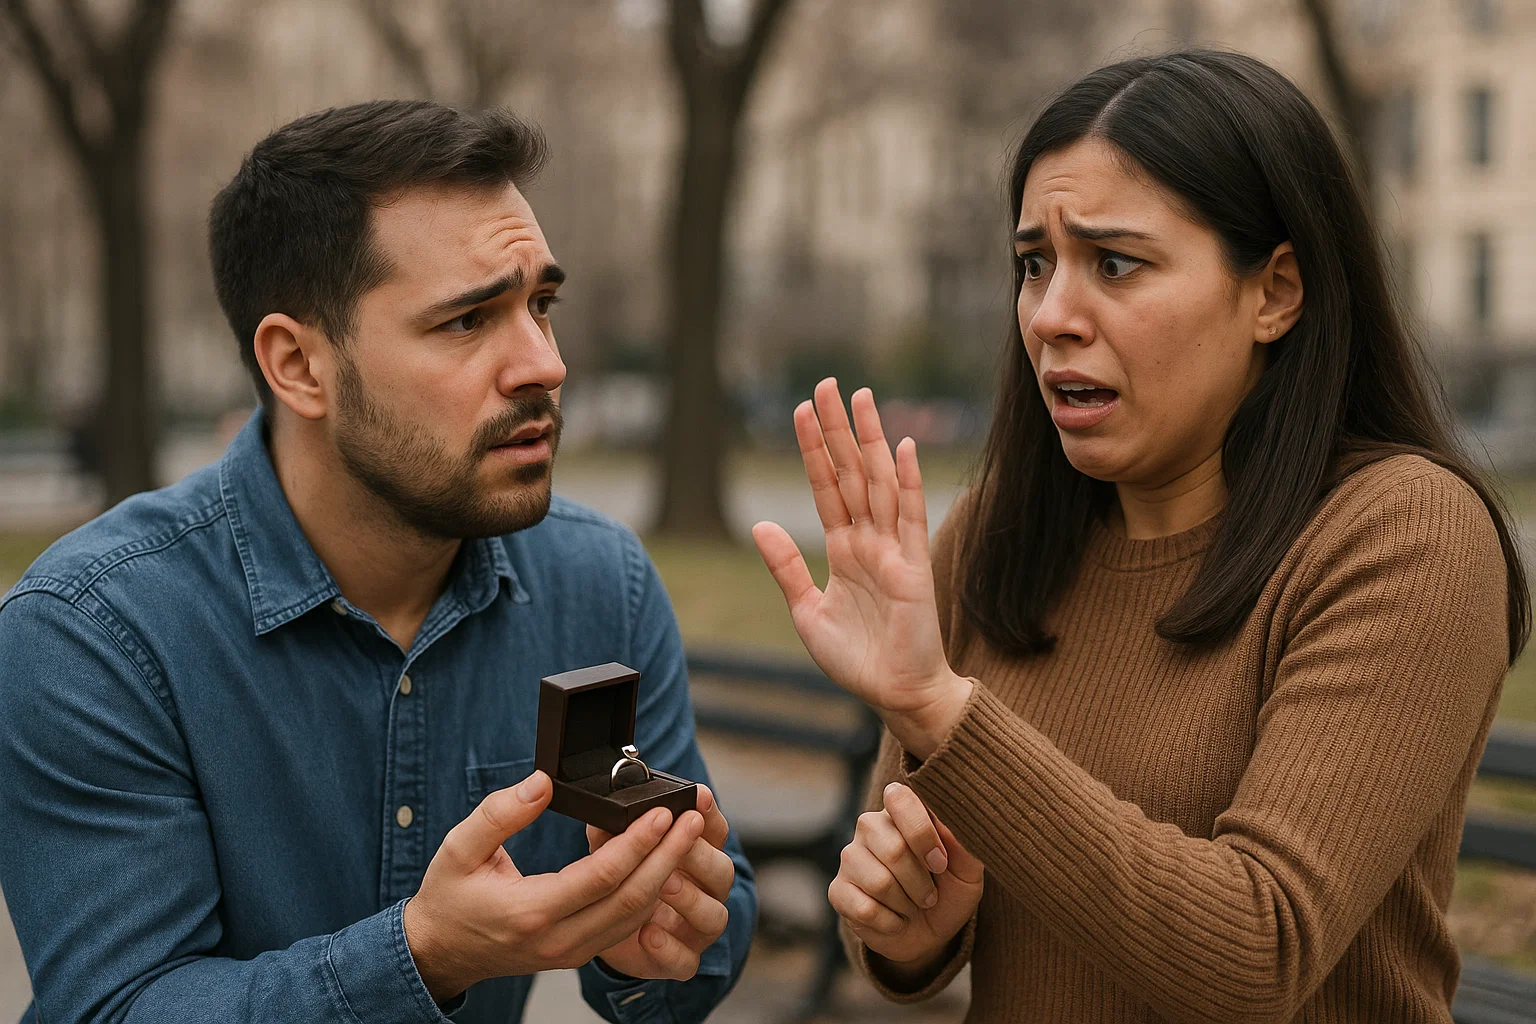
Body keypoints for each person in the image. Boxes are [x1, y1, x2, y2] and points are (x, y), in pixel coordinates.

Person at [752, 50, 1530, 1023]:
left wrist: (942, 713)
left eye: (1115, 263)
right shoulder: (999, 533)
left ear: (1275, 291)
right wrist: (906, 925)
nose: (1052, 317)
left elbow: (1256, 956)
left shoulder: (1402, 534)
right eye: (1035, 264)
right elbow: (898, 923)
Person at [0, 100, 755, 1024]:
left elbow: (710, 923)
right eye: (468, 320)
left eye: (541, 305)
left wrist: (655, 944)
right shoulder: (93, 634)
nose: (544, 365)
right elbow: (117, 1006)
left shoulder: (600, 584)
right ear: (298, 365)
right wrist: (423, 955)